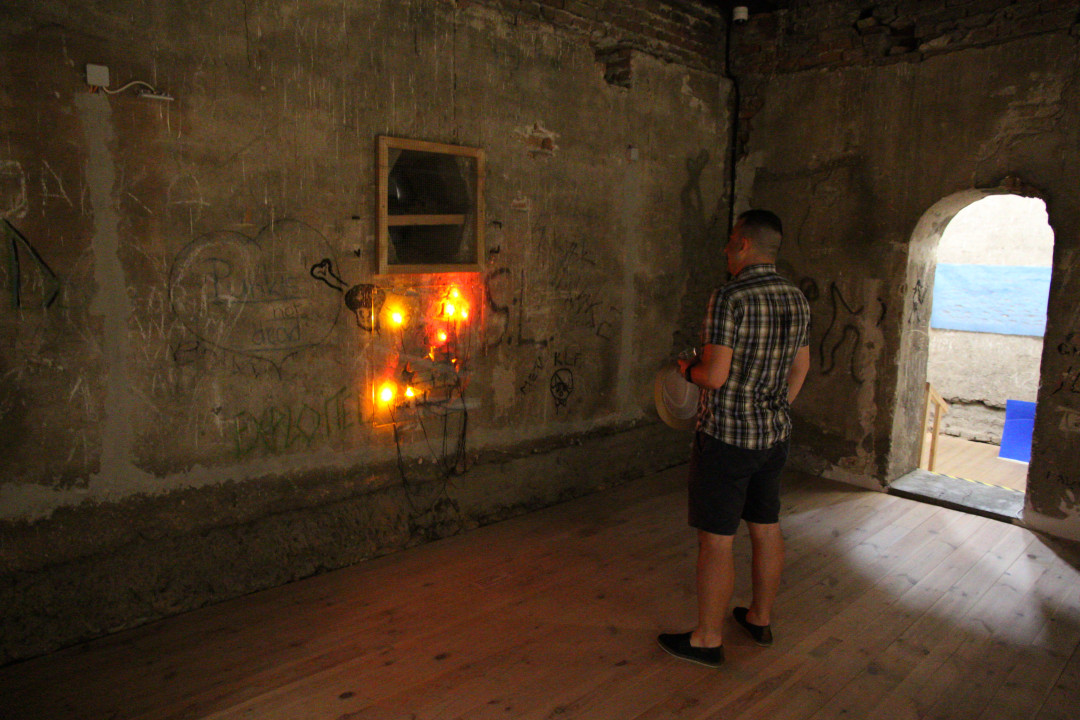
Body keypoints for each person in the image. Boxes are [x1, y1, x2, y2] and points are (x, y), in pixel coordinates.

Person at [658, 209, 811, 668]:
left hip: (726, 438)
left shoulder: (729, 296)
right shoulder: (796, 297)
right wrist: (775, 408)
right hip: (773, 436)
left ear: (743, 244)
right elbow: (800, 367)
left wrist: (687, 368)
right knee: (766, 526)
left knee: (717, 540)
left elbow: (715, 376)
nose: (726, 249)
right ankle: (760, 618)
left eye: (730, 241)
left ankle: (707, 639)